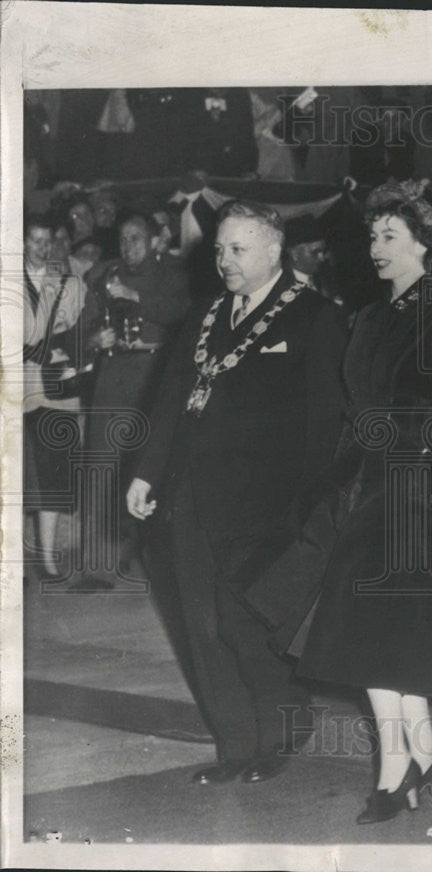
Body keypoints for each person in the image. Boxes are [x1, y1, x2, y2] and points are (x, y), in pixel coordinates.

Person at [125, 200, 347, 785]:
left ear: (274, 251)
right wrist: (146, 473)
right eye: (220, 248)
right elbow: (171, 402)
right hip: (191, 497)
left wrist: (307, 507)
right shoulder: (203, 316)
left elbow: (325, 422)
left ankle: (277, 736)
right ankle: (236, 748)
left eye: (238, 249)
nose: (224, 259)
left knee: (247, 622)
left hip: (266, 504)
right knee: (201, 625)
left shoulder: (315, 316)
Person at [291, 181, 432, 824]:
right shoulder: (369, 317)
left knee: (392, 632)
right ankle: (421, 758)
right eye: (372, 236)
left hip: (423, 487)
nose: (376, 247)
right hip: (371, 484)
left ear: (423, 243)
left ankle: (396, 770)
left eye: (389, 236)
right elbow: (354, 408)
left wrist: (415, 450)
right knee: (373, 631)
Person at [74, 213, 192, 590]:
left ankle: (159, 560)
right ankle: (96, 567)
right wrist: (94, 340)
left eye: (137, 238)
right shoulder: (103, 276)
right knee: (100, 467)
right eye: (124, 239)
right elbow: (82, 328)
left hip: (158, 378)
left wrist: (134, 296)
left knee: (155, 468)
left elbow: (182, 313)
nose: (129, 247)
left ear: (155, 239)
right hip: (114, 377)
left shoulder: (174, 273)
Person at [22, 215, 89, 580]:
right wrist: (38, 351)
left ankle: (46, 557)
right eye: (34, 240)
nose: (41, 248)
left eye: (48, 241)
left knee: (53, 479)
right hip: (15, 394)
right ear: (22, 242)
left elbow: (84, 331)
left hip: (54, 394)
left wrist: (73, 353)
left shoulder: (69, 283)